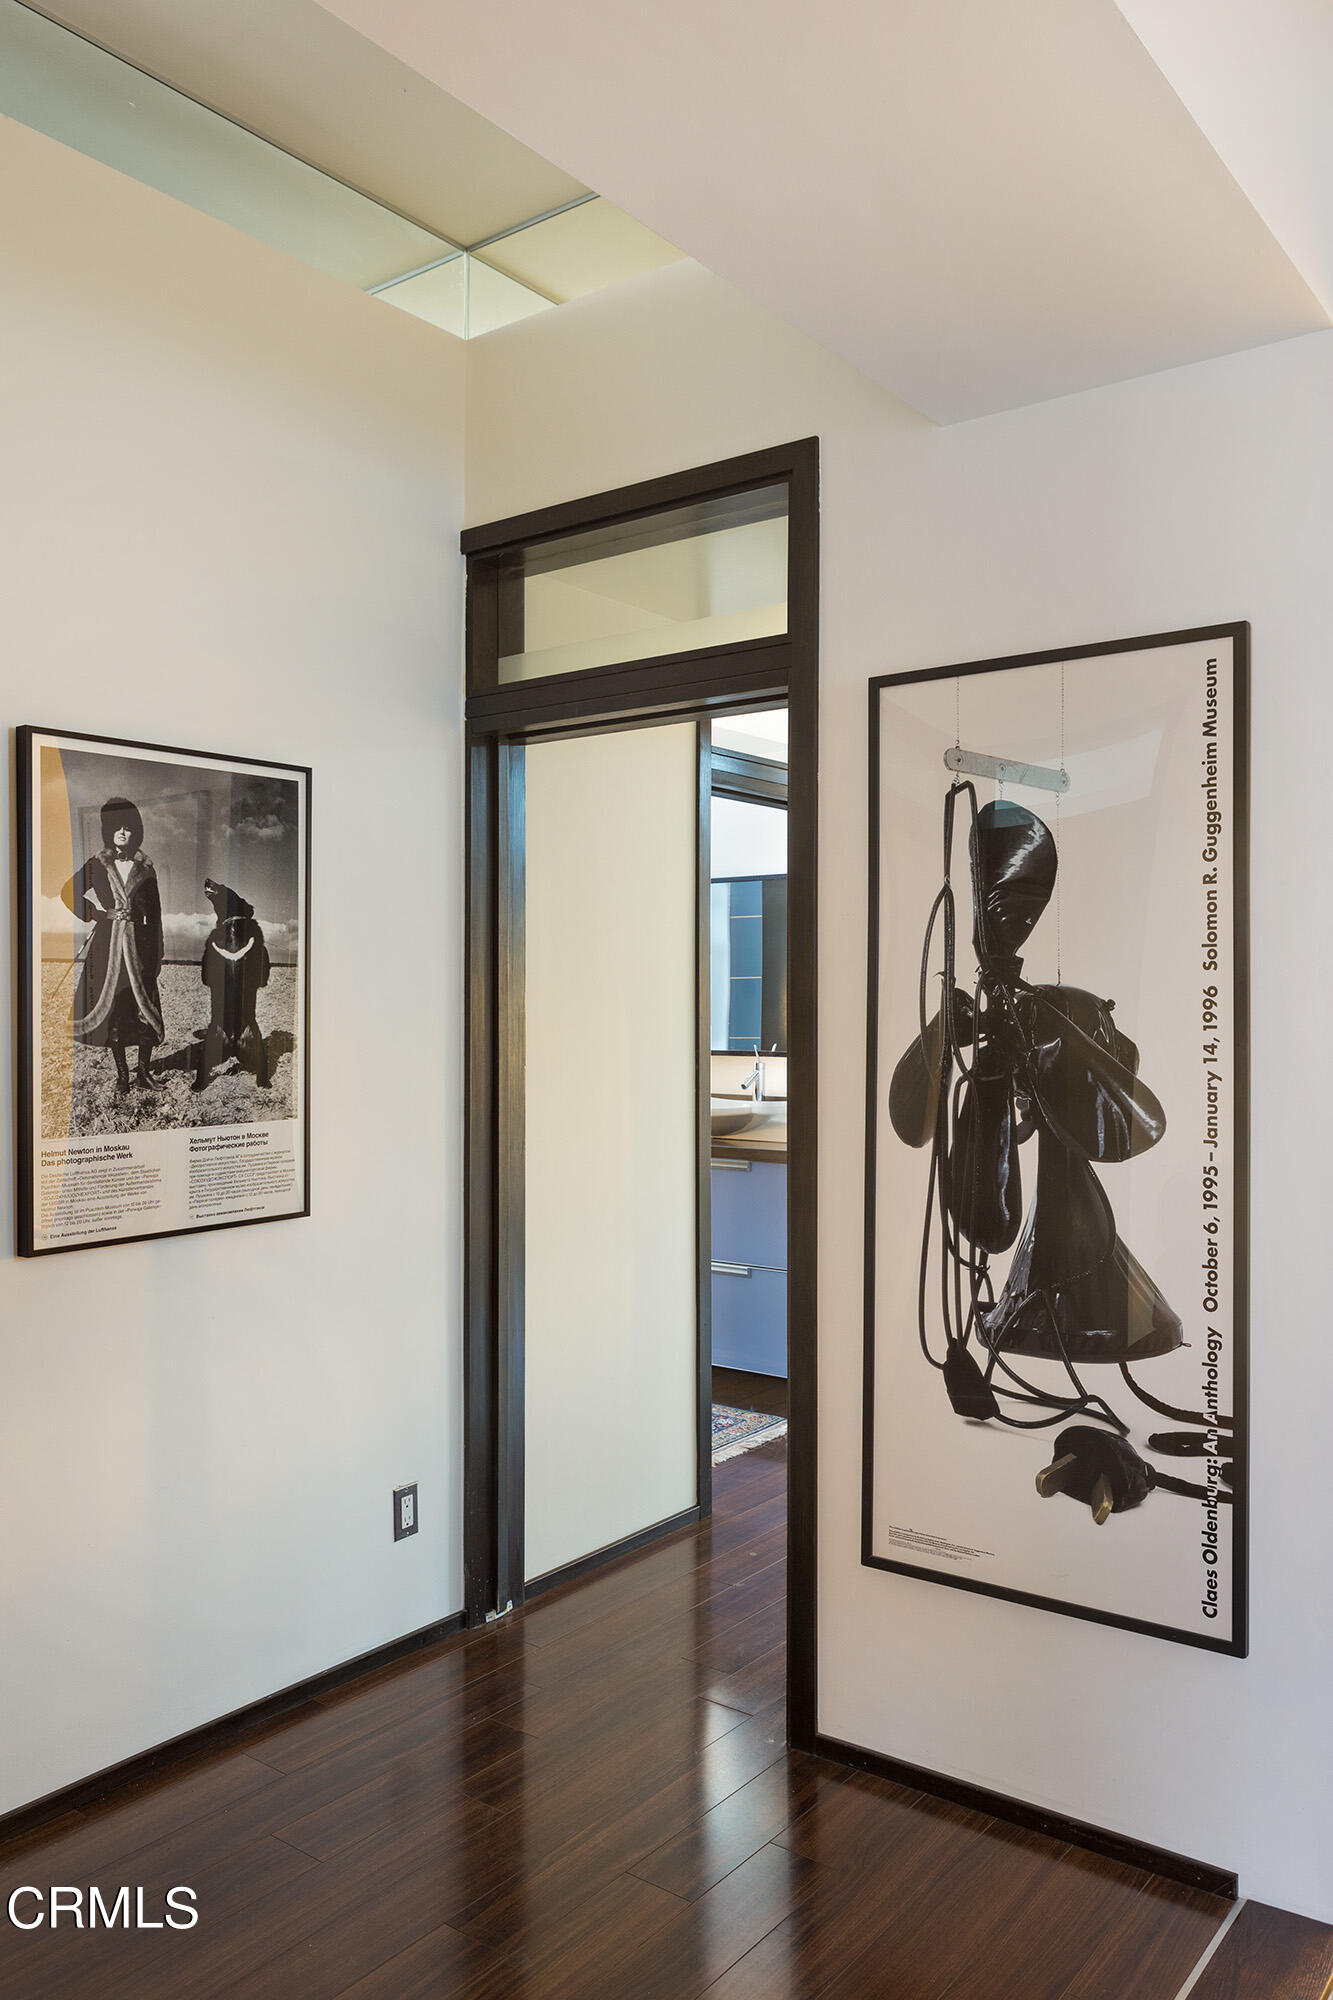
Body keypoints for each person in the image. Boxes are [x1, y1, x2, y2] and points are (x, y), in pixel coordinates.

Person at [60, 797, 165, 1092]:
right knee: (117, 1011)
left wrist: (157, 952)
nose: (122, 832)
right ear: (108, 830)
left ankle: (144, 1073)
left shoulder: (147, 869)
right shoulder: (97, 863)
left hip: (141, 947)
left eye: (128, 827)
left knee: (146, 1008)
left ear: (136, 831)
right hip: (108, 946)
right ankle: (123, 1076)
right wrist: (96, 913)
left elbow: (156, 916)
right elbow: (68, 892)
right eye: (116, 827)